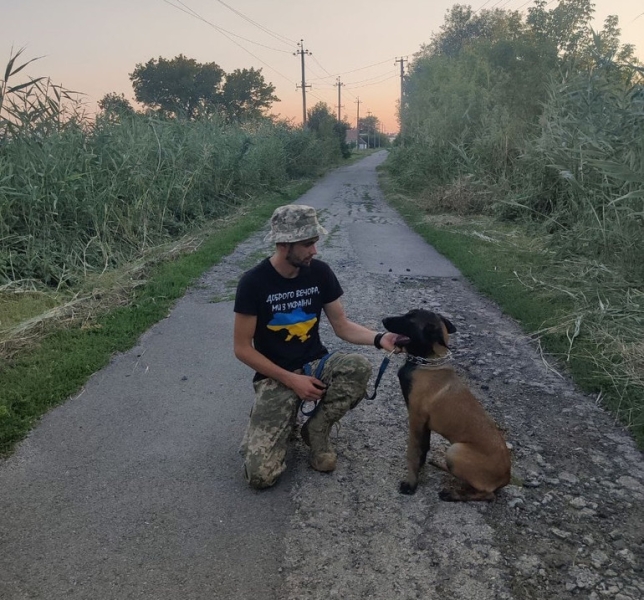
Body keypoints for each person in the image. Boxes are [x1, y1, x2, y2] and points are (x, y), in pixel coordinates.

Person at [233, 204, 400, 489]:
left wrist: (379, 338)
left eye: (315, 243)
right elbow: (242, 348)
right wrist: (292, 381)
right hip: (277, 376)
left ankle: (317, 429)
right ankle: (270, 416)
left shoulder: (319, 273)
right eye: (308, 244)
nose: (315, 251)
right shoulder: (253, 282)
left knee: (358, 367)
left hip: (315, 364)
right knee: (260, 477)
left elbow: (342, 325)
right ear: (285, 245)